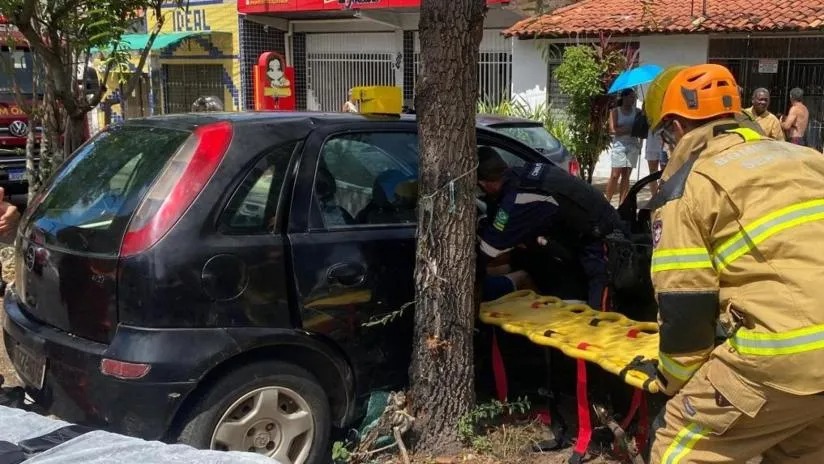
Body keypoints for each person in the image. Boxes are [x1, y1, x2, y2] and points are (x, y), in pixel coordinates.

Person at [643, 63, 824, 463]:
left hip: (782, 357)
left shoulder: (688, 186)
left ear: (674, 127)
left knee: (675, 445)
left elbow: (686, 310)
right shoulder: (807, 158)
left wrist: (671, 378)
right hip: (810, 366)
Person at [476, 146, 623, 309]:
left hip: (601, 234)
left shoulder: (516, 200)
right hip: (583, 231)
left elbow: (486, 251)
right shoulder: (522, 174)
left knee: (600, 306)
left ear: (484, 183)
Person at [605, 88, 641, 204]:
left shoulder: (638, 112)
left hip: (633, 146)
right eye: (631, 96)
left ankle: (622, 205)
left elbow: (641, 129)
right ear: (624, 97)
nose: (633, 99)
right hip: (619, 146)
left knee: (626, 176)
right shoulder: (615, 111)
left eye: (634, 97)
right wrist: (629, 130)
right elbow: (612, 130)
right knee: (615, 175)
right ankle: (606, 201)